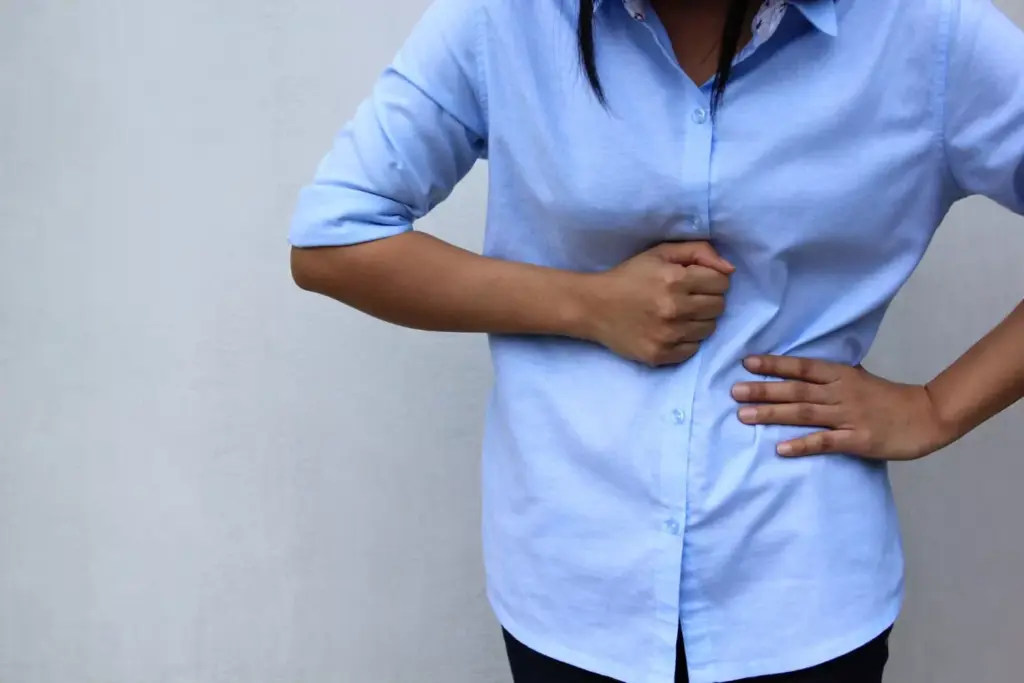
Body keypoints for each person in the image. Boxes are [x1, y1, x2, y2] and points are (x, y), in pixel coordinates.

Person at [288, 0, 1024, 680]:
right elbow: (335, 237)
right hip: (575, 590)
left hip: (800, 590)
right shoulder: (507, 17)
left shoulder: (921, 29)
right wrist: (587, 304)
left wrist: (936, 407)